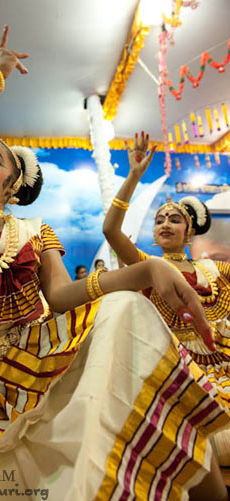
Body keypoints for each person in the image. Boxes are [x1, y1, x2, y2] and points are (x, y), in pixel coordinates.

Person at [0, 28, 228, 501]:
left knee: (126, 314)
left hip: (21, 372)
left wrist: (146, 271)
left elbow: (60, 297)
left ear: (13, 184)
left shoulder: (33, 231)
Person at [103, 131, 230, 477]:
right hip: (171, 368)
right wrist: (133, 176)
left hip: (221, 365)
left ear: (190, 233)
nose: (165, 224)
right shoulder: (147, 266)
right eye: (159, 220)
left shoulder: (213, 269)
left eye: (174, 219)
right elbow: (111, 231)